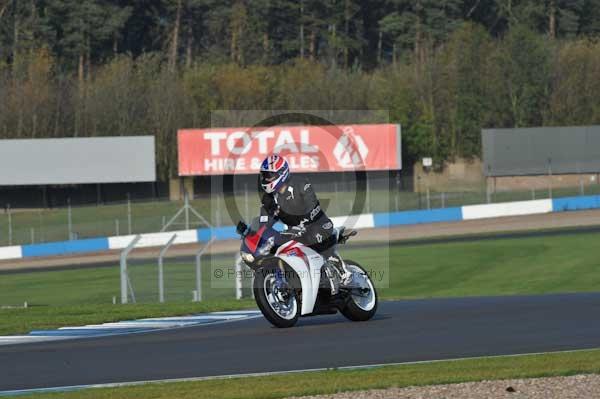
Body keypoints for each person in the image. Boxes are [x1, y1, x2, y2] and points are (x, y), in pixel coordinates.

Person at [255, 154, 352, 284]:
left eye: (269, 175)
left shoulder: (300, 183)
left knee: (315, 238)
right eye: (265, 175)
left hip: (319, 225)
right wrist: (257, 235)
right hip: (295, 232)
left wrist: (303, 223)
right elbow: (264, 222)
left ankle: (342, 270)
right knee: (281, 249)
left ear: (281, 173)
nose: (266, 179)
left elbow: (313, 206)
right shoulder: (269, 199)